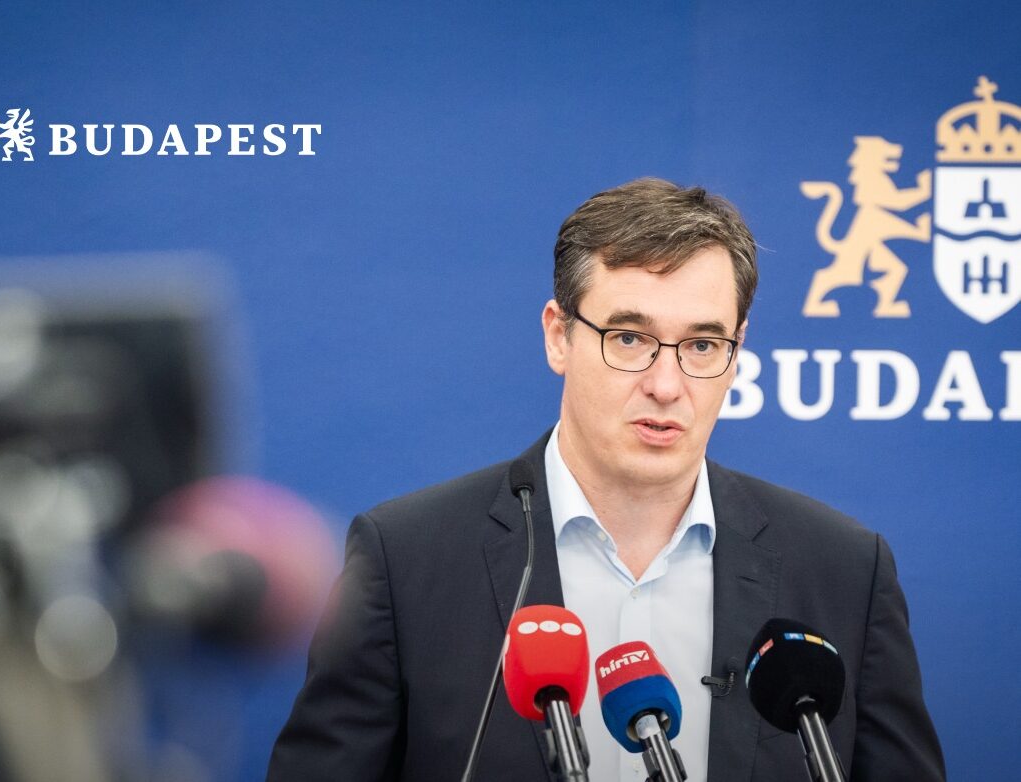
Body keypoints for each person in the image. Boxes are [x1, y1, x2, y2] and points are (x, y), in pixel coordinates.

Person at [267, 178, 945, 781]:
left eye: (702, 345)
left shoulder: (843, 572)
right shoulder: (406, 560)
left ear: (737, 352)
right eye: (629, 338)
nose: (666, 385)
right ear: (558, 336)